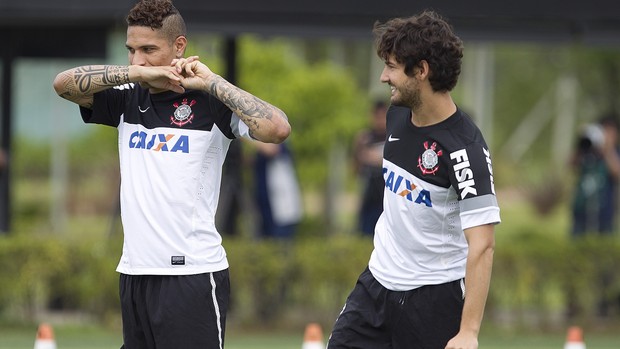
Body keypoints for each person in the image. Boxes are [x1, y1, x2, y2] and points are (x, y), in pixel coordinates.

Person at [52, 1, 290, 348]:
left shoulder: (209, 103)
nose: (138, 60)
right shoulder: (127, 98)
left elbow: (277, 128)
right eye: (131, 50)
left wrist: (212, 82)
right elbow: (63, 84)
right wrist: (136, 74)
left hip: (190, 275)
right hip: (135, 272)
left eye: (149, 50)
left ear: (179, 46)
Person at [327, 11, 500, 349]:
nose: (383, 77)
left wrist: (469, 332)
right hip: (376, 284)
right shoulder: (396, 116)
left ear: (421, 70)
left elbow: (483, 245)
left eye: (392, 66)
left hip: (434, 301)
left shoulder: (465, 150)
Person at [570, 114, 620, 236]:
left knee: (604, 246)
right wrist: (582, 141)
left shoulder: (615, 153)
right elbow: (570, 164)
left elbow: (617, 173)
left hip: (605, 211)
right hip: (581, 208)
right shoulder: (588, 149)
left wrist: (608, 149)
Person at [250, 140, 302, 239]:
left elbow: (271, 150)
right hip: (266, 206)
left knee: (280, 243)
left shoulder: (278, 139)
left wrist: (239, 131)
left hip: (281, 208)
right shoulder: (262, 146)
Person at [353, 100, 388, 236]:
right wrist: (358, 149)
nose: (379, 120)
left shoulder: (393, 138)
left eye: (382, 116)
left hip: (386, 196)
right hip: (369, 195)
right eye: (376, 116)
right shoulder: (365, 138)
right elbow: (355, 168)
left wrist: (374, 158)